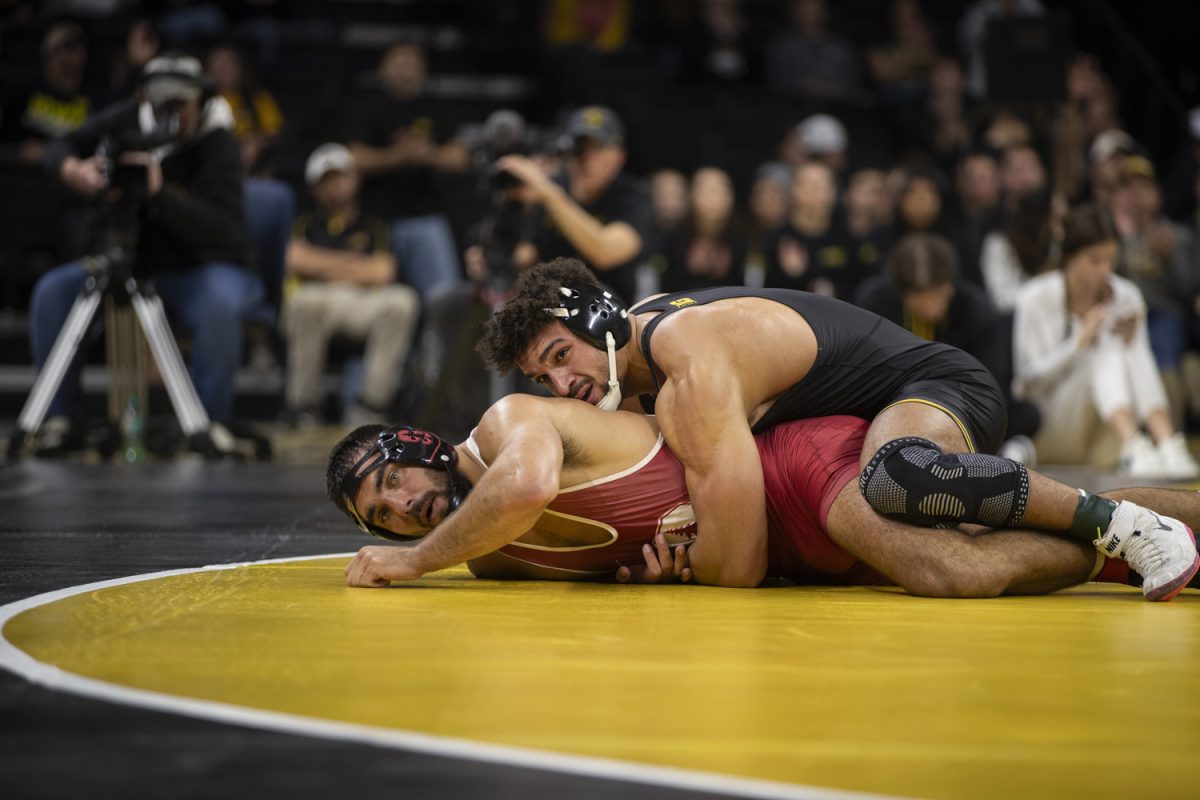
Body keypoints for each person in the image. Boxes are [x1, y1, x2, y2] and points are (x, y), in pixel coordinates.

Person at [475, 256, 1197, 591]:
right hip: (860, 418)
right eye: (542, 380)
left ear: (596, 319)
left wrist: (696, 567)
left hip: (934, 384)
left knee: (901, 476)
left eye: (558, 357)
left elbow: (740, 566)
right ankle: (1173, 521)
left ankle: (1128, 529)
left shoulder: (683, 361)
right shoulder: (640, 376)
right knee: (951, 530)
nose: (560, 386)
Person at [328, 397, 1200, 602]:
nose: (404, 511)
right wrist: (654, 581)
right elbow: (605, 589)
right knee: (973, 535)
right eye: (384, 518)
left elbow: (525, 486)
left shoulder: (509, 423)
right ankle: (1146, 535)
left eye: (394, 486)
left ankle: (1128, 538)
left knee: (950, 567)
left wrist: (407, 563)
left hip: (789, 469)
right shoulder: (486, 558)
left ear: (417, 449)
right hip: (765, 557)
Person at [29, 54, 261, 451]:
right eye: (162, 103)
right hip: (128, 258)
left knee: (220, 301)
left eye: (181, 105)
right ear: (143, 96)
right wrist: (74, 170)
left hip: (195, 265)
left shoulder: (218, 139)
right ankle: (62, 420)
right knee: (53, 290)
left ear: (201, 101)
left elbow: (225, 229)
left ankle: (208, 424)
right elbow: (61, 145)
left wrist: (159, 195)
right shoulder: (126, 118)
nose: (172, 114)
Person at [1013, 204, 1199, 478]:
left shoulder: (1126, 293)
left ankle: (1166, 442)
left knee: (1127, 346)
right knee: (1104, 348)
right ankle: (1139, 443)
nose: (1104, 270)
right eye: (1094, 260)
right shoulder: (1035, 296)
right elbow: (1027, 384)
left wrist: (1128, 341)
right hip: (1049, 431)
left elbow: (1142, 361)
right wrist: (1078, 341)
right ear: (1070, 256)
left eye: (1111, 260)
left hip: (1103, 439)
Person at [854, 232, 1040, 460]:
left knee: (1025, 415)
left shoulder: (978, 312)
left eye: (936, 293)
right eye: (919, 296)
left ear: (950, 286)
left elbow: (991, 383)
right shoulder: (875, 302)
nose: (929, 305)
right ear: (903, 293)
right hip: (894, 403)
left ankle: (1001, 451)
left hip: (956, 407)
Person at [281, 143, 420, 427]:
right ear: (314, 188)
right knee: (305, 301)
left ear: (355, 180)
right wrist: (355, 267)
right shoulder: (304, 223)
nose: (336, 185)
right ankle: (303, 406)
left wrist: (322, 265)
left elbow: (382, 272)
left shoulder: (373, 225)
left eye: (341, 176)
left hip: (361, 303)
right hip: (317, 300)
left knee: (403, 301)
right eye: (327, 179)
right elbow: (295, 260)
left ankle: (371, 405)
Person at [345, 41, 469, 303]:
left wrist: (429, 154)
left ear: (423, 70)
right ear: (383, 67)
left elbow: (460, 158)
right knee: (372, 299)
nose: (406, 69)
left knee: (447, 298)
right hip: (376, 218)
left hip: (426, 217)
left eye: (413, 63)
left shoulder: (433, 108)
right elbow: (353, 157)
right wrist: (398, 156)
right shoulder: (368, 107)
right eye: (399, 62)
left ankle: (438, 345)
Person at [490, 104, 652, 304]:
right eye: (581, 148)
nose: (588, 159)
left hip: (608, 311)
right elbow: (527, 255)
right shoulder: (553, 186)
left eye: (598, 148)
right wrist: (495, 258)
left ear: (619, 156)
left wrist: (549, 194)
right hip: (550, 304)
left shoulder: (633, 196)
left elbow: (605, 251)